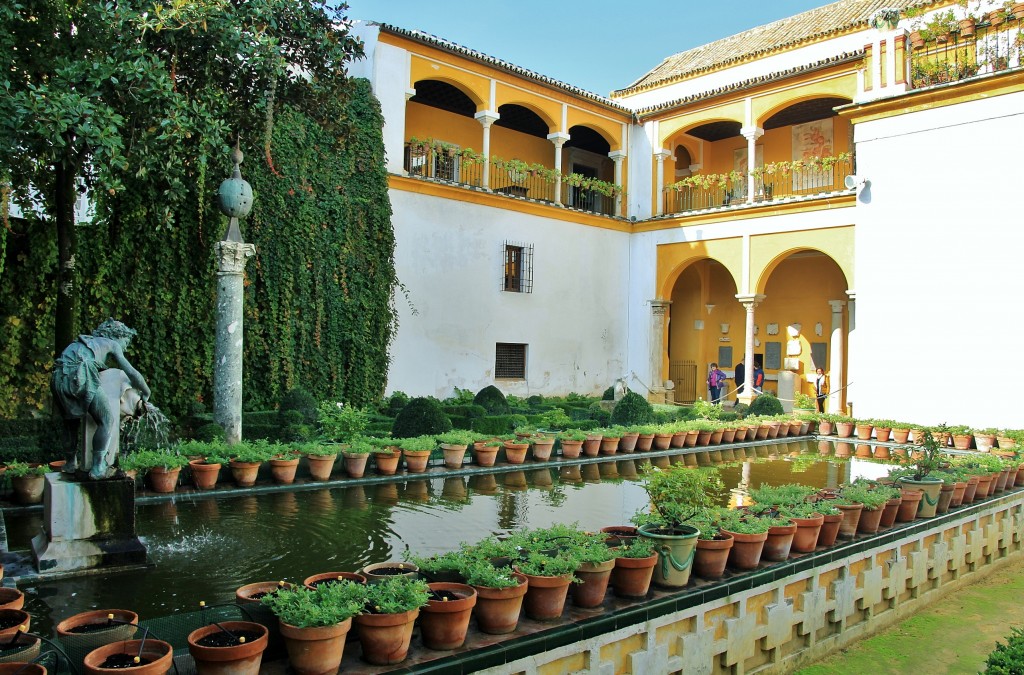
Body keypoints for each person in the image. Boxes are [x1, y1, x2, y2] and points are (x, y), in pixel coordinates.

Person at [52, 319, 151, 479]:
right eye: (126, 341)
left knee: (70, 422)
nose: (126, 346)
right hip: (80, 374)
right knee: (106, 420)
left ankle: (70, 463)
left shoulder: (83, 342)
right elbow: (131, 373)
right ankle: (98, 468)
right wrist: (146, 391)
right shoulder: (112, 344)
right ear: (117, 335)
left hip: (58, 377)